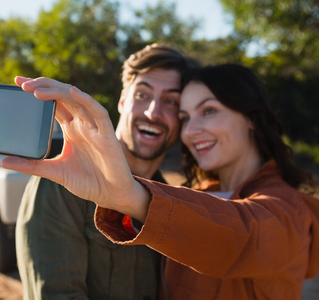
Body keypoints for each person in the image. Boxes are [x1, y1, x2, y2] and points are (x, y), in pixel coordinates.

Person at [2, 64, 319, 299]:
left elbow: (241, 236)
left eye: (208, 111)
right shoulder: (191, 194)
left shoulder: (286, 207)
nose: (192, 131)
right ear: (123, 101)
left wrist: (135, 199)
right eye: (186, 117)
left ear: (250, 117)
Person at [15, 44, 199, 300]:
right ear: (123, 101)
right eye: (142, 95)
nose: (152, 113)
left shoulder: (172, 199)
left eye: (170, 101)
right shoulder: (65, 183)